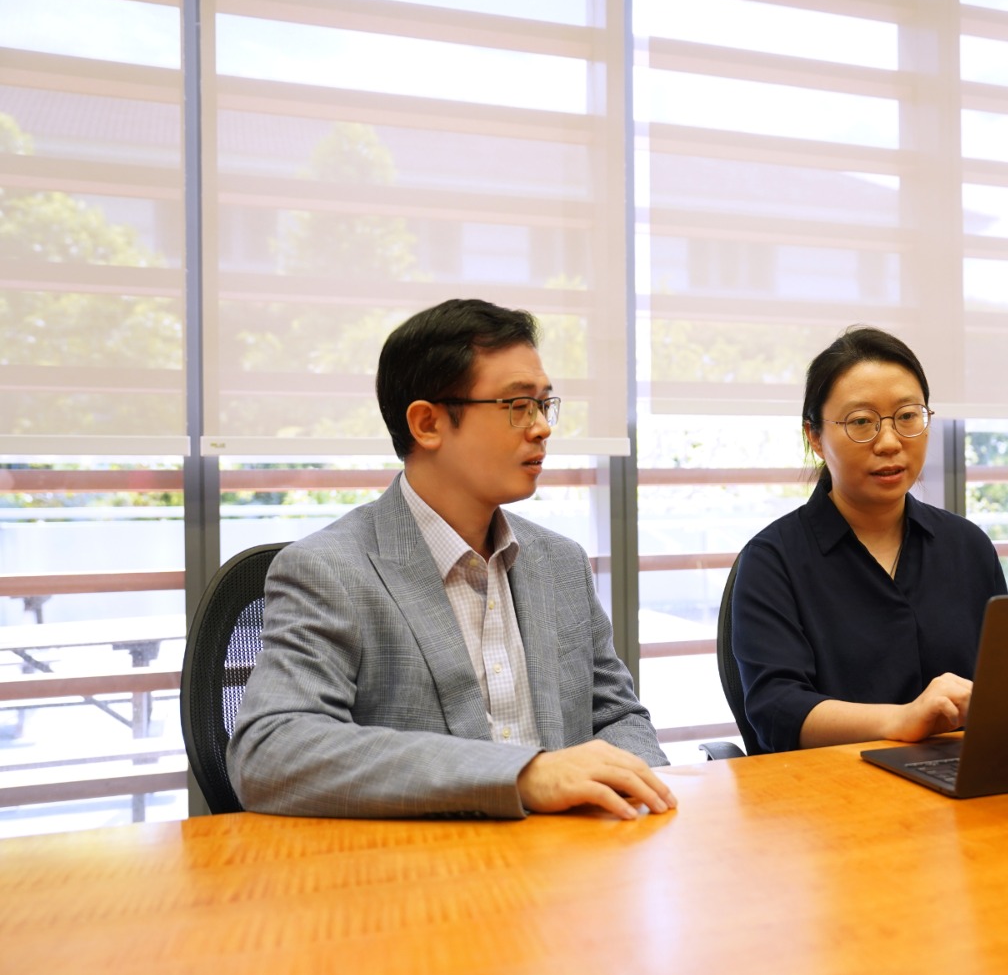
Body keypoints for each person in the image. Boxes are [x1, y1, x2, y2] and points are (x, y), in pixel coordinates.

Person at [228, 299, 676, 821]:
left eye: (543, 404)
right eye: (518, 405)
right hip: (428, 862)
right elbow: (273, 749)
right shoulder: (330, 570)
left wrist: (645, 796)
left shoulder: (560, 562)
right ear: (427, 423)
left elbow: (617, 716)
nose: (541, 427)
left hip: (571, 856)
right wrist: (521, 775)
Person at [731, 327, 1008, 752]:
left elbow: (1005, 684)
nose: (890, 442)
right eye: (861, 422)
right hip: (835, 784)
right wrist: (902, 720)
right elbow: (777, 710)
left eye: (908, 416)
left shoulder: (967, 546)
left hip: (963, 776)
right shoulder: (772, 561)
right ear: (814, 437)